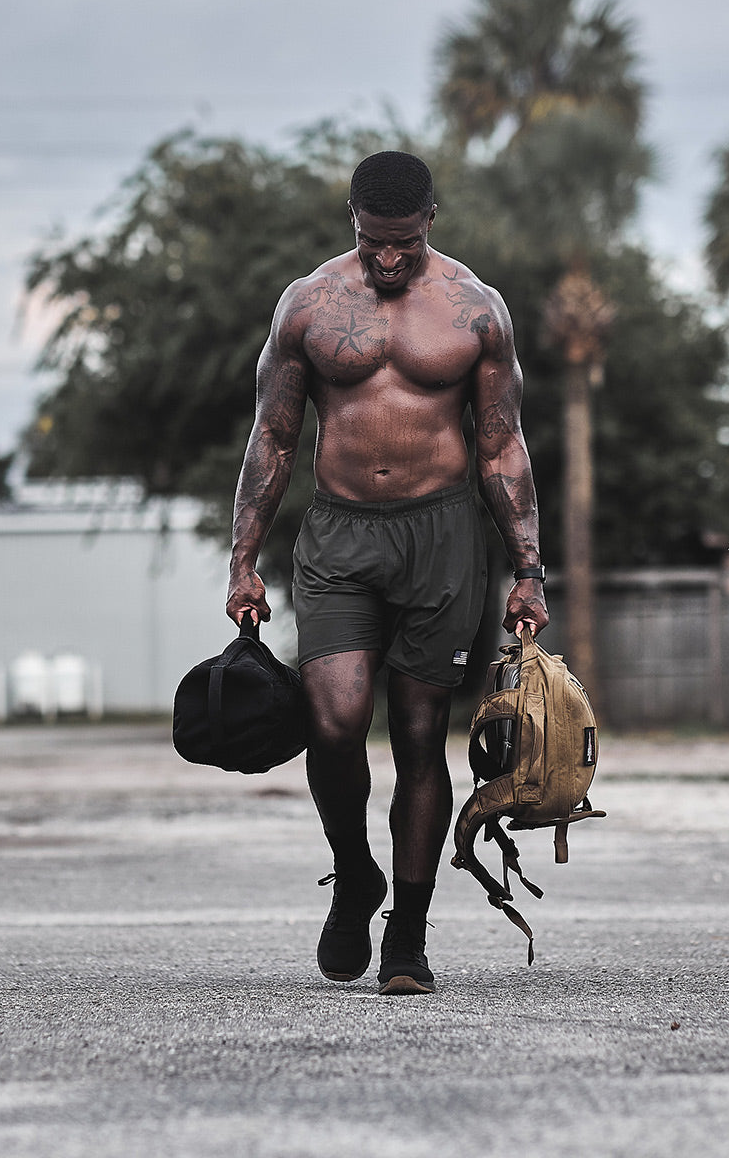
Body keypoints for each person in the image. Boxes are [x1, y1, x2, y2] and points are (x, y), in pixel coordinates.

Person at [226, 151, 547, 995]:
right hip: (337, 538)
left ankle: (406, 932)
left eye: (403, 241)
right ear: (352, 221)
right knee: (332, 721)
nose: (389, 258)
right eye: (374, 242)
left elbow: (501, 445)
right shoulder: (309, 306)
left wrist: (528, 570)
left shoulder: (476, 311)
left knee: (416, 738)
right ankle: (354, 873)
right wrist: (243, 560)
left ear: (431, 220)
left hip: (442, 538)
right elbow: (274, 437)